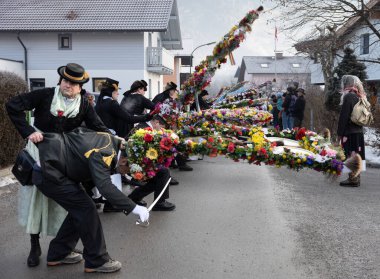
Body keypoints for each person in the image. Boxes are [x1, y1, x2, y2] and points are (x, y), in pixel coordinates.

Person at [6, 63, 110, 267]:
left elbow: (99, 127)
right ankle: (34, 247)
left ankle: (62, 249)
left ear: (80, 87)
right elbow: (12, 106)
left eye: (73, 83)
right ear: (60, 80)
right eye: (65, 80)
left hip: (63, 159)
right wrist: (28, 131)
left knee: (71, 203)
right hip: (38, 155)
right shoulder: (45, 95)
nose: (67, 85)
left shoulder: (85, 105)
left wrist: (118, 141)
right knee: (36, 202)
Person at [34, 128, 174, 273]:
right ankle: (96, 260)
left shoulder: (110, 141)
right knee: (86, 209)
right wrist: (134, 208)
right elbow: (105, 186)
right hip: (49, 173)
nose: (129, 175)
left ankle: (59, 252)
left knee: (80, 209)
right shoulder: (105, 153)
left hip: (54, 167)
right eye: (130, 171)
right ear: (124, 160)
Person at [337, 75, 366, 187]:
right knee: (357, 155)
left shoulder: (348, 96)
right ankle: (356, 178)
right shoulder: (359, 95)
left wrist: (339, 133)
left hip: (350, 132)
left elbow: (344, 117)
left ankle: (352, 179)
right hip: (358, 131)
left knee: (350, 154)